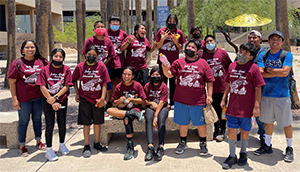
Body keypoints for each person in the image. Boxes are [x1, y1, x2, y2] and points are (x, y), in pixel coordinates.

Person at [161, 40, 214, 156]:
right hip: (181, 100)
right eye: (188, 46)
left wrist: (209, 95)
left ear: (198, 51)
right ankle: (183, 142)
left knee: (200, 123)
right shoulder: (178, 62)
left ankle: (203, 143)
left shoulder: (203, 63)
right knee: (183, 122)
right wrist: (165, 68)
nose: (189, 48)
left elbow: (210, 81)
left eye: (193, 47)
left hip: (198, 100)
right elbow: (170, 75)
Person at [220, 43, 265, 169]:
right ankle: (232, 155)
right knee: (232, 132)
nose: (242, 55)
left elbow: (258, 88)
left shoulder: (254, 68)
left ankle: (243, 153)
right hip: (232, 107)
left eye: (246, 54)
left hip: (247, 108)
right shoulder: (232, 66)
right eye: (241, 51)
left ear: (251, 57)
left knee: (245, 132)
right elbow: (228, 84)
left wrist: (256, 106)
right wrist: (224, 99)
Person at [254, 31, 294, 162]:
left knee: (286, 123)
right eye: (272, 39)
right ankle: (267, 145)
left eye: (278, 39)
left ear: (282, 42)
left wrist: (268, 70)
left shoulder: (286, 55)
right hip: (266, 94)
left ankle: (289, 148)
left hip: (282, 95)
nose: (275, 41)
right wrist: (278, 72)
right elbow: (260, 74)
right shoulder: (263, 55)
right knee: (268, 122)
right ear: (268, 41)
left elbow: (285, 72)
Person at [7, 39, 48, 156]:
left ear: (36, 49)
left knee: (37, 119)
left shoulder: (42, 61)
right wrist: (14, 99)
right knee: (24, 121)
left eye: (32, 47)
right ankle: (22, 145)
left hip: (39, 98)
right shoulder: (17, 63)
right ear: (23, 50)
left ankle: (39, 141)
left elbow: (52, 71)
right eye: (27, 47)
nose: (30, 50)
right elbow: (12, 82)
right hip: (24, 99)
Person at [73, 45, 110, 158]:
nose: (91, 57)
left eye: (94, 55)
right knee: (86, 123)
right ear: (85, 55)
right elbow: (74, 80)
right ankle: (87, 145)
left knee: (97, 122)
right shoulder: (80, 67)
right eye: (89, 55)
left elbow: (104, 83)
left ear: (97, 56)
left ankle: (97, 143)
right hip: (85, 99)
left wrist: (103, 97)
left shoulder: (101, 66)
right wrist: (77, 93)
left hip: (98, 99)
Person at [36, 48, 73, 161]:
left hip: (61, 99)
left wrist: (56, 98)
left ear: (63, 58)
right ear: (51, 56)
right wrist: (50, 99)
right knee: (49, 124)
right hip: (48, 100)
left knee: (62, 123)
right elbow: (42, 86)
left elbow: (66, 86)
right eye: (56, 56)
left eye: (60, 57)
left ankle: (62, 144)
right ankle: (49, 150)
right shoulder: (44, 70)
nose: (58, 58)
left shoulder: (66, 69)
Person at [106, 67, 146, 160]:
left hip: (135, 109)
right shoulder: (119, 86)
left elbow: (143, 100)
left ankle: (130, 146)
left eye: (129, 75)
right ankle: (132, 115)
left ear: (133, 76)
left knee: (127, 120)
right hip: (122, 110)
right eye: (124, 74)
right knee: (109, 110)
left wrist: (131, 99)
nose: (126, 76)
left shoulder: (137, 85)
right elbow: (114, 102)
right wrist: (119, 101)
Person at [202, 35, 232, 142]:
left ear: (215, 42)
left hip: (222, 87)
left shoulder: (222, 53)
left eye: (211, 41)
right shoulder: (203, 55)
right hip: (210, 89)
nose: (209, 43)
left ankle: (223, 130)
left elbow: (230, 66)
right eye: (207, 42)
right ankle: (216, 128)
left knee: (222, 109)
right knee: (213, 109)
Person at [154, 14, 187, 108]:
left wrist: (176, 41)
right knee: (162, 82)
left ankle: (173, 102)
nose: (171, 24)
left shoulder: (179, 32)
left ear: (176, 23)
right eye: (170, 21)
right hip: (163, 61)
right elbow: (158, 47)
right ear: (167, 22)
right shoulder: (161, 31)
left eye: (173, 22)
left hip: (174, 62)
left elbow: (181, 48)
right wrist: (162, 39)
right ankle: (163, 101)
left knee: (173, 82)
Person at [144, 66, 169, 161]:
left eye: (157, 75)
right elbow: (144, 100)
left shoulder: (164, 86)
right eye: (153, 75)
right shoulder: (147, 86)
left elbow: (162, 102)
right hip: (151, 107)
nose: (155, 76)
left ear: (161, 76)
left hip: (162, 107)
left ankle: (161, 147)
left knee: (161, 119)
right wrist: (151, 103)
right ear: (150, 76)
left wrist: (156, 115)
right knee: (148, 118)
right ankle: (150, 146)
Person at [105, 15, 128, 109]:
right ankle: (108, 102)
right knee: (109, 83)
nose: (115, 23)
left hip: (119, 61)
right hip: (107, 61)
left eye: (117, 22)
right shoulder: (105, 32)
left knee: (118, 82)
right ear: (109, 23)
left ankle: (117, 102)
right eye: (113, 22)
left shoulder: (123, 33)